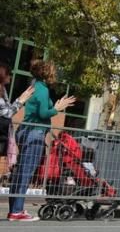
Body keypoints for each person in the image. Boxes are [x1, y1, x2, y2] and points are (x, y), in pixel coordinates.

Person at [7, 60, 77, 222]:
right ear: (47, 73)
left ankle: (15, 210)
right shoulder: (42, 90)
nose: (55, 74)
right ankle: (17, 211)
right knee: (25, 173)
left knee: (21, 172)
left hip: (27, 131)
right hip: (35, 133)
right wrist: (58, 108)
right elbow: (43, 113)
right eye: (53, 71)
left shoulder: (35, 86)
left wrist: (56, 105)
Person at [0, 62, 34, 186]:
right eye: (9, 74)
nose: (11, 77)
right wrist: (21, 100)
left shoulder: (3, 90)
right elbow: (7, 113)